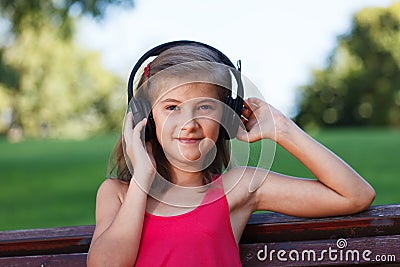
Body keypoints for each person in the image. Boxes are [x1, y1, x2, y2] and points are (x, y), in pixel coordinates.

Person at [87, 41, 375, 267]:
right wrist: (142, 178)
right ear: (145, 119)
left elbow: (355, 195)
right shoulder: (118, 194)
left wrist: (283, 129)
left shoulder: (237, 189)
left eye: (204, 107)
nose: (189, 124)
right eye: (171, 107)